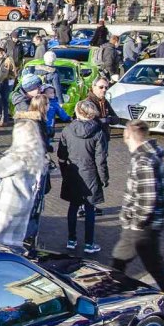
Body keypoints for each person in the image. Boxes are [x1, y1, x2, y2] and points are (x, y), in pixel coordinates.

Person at [109, 120, 164, 326]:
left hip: (141, 227)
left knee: (133, 266)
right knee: (124, 263)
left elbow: (147, 198)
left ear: (128, 136)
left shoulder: (143, 160)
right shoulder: (152, 154)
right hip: (144, 225)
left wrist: (135, 224)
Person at [0, 118, 49, 248]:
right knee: (14, 240)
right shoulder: (37, 156)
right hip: (25, 202)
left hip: (8, 203)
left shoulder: (18, 158)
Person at [57, 99, 109, 254]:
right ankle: (89, 243)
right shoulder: (98, 133)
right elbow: (101, 160)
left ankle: (71, 240)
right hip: (90, 173)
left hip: (73, 173)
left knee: (73, 206)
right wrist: (104, 178)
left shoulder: (67, 130)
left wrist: (65, 172)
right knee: (89, 209)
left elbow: (61, 154)